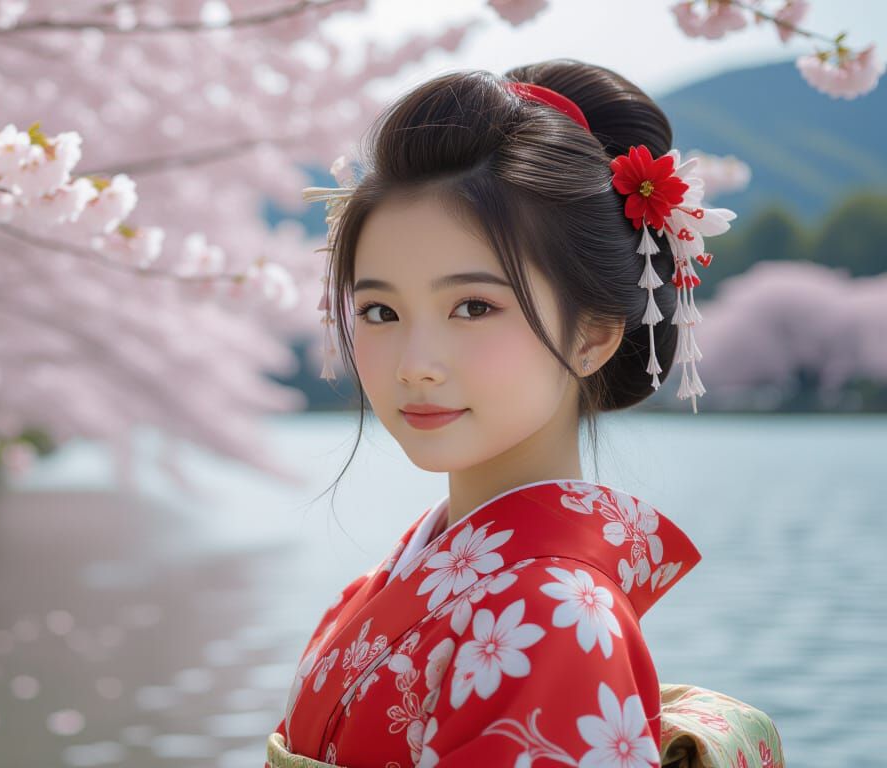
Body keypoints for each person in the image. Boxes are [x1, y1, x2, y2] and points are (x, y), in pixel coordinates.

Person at [267, 60, 782, 768]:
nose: (416, 361)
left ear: (594, 333)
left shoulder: (552, 618)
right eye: (380, 310)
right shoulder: (405, 583)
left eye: (473, 307)